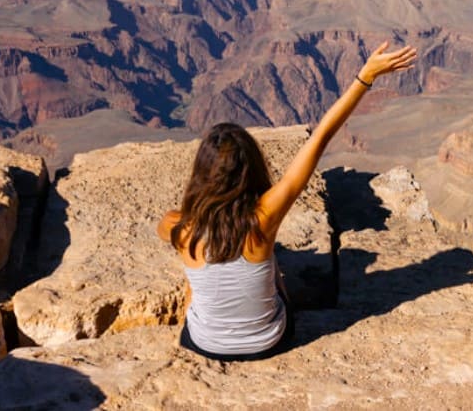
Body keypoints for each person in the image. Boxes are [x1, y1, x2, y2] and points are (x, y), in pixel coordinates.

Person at [158, 42, 418, 361]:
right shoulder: (264, 217)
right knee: (271, 262)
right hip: (269, 342)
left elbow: (172, 227)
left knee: (192, 277)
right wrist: (365, 77)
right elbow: (320, 137)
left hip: (205, 344)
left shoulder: (178, 227)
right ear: (251, 168)